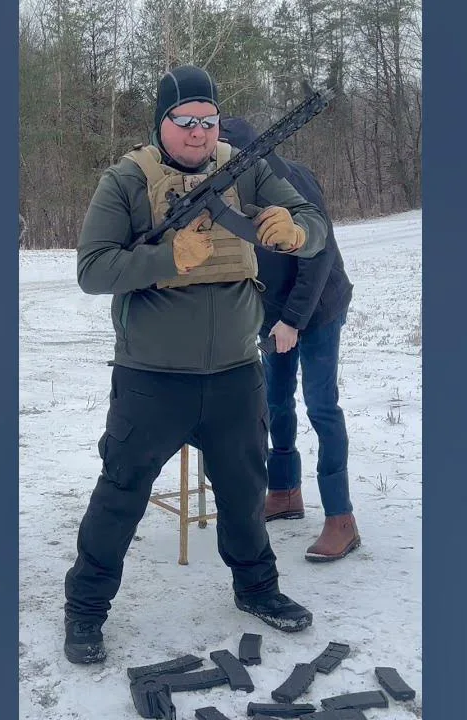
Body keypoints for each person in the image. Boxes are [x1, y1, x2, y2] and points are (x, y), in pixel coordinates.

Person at [62, 65, 331, 665]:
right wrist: (165, 259)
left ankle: (258, 589)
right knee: (121, 493)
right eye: (183, 120)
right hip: (152, 380)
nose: (197, 132)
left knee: (245, 491)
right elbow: (92, 270)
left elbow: (314, 224)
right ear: (160, 123)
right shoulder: (126, 180)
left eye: (208, 121)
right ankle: (85, 609)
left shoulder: (248, 167)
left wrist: (296, 232)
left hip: (236, 372)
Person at [219, 116, 360, 563]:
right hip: (273, 312)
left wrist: (293, 321)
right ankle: (284, 491)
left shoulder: (291, 181)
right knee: (275, 403)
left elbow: (318, 257)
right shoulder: (223, 192)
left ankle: (341, 517)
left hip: (317, 308)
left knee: (321, 406)